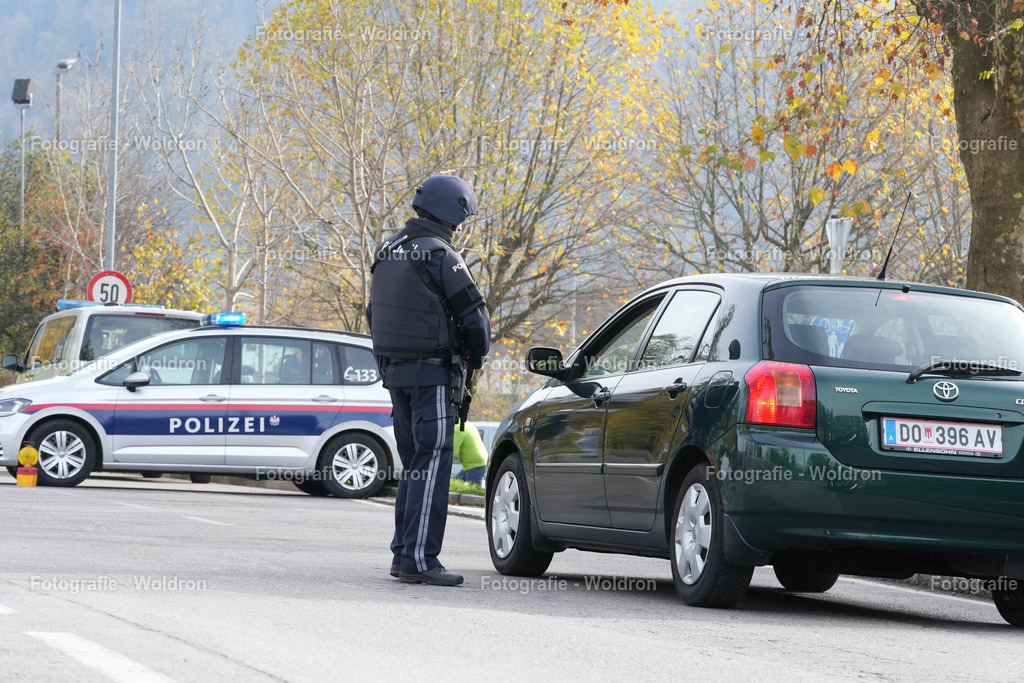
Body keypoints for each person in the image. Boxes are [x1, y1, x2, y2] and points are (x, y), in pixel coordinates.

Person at [366, 174, 490, 587]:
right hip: (431, 374)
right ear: (452, 213)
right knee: (434, 461)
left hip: (395, 374)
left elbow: (373, 314)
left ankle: (404, 553)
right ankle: (420, 560)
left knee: (415, 465)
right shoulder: (439, 254)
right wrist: (477, 352)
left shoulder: (389, 250)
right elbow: (474, 316)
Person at [452, 421, 487, 487]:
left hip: (475, 464)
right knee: (454, 483)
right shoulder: (467, 424)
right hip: (477, 462)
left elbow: (453, 452)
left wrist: (443, 464)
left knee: (474, 491)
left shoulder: (459, 428)